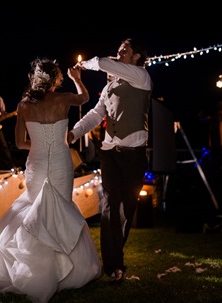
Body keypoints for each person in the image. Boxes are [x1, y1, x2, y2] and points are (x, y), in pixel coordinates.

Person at [0, 58, 101, 303]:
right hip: (60, 163)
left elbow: (19, 143)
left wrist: (37, 146)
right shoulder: (63, 98)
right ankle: (60, 272)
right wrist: (77, 80)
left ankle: (31, 269)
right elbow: (85, 99)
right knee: (61, 209)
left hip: (37, 164)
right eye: (59, 75)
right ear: (53, 79)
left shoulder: (24, 105)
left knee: (33, 209)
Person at [68, 38, 153, 283]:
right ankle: (114, 266)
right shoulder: (108, 87)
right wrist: (74, 132)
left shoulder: (141, 77)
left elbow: (104, 63)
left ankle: (116, 259)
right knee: (108, 207)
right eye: (119, 49)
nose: (119, 52)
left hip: (134, 154)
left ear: (136, 56)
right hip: (109, 152)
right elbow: (96, 114)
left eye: (124, 49)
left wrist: (86, 65)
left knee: (126, 210)